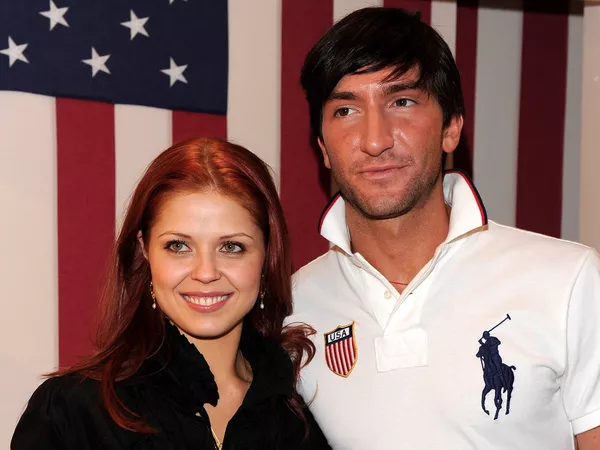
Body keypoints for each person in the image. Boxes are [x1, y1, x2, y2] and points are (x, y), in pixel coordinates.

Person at [289, 7, 600, 449]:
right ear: (322, 145)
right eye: (345, 110)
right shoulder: (293, 309)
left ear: (451, 128)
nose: (375, 139)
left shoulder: (569, 281)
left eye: (402, 102)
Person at [12, 138, 331, 450]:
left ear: (266, 257)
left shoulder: (301, 420)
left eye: (232, 247)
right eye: (178, 246)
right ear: (145, 252)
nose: (206, 272)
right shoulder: (72, 413)